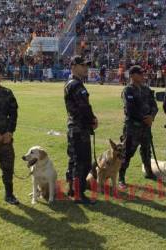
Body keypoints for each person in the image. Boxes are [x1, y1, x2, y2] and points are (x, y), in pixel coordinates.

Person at [64, 55, 98, 204]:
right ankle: (79, 194)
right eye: (83, 65)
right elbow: (84, 107)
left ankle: (72, 189)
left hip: (74, 127)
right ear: (74, 66)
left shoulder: (71, 83)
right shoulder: (76, 85)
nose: (86, 68)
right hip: (79, 128)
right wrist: (93, 120)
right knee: (82, 162)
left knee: (74, 160)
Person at [119, 65, 158, 189]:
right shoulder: (128, 90)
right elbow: (130, 110)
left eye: (143, 73)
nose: (143, 75)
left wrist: (151, 116)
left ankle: (149, 172)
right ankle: (121, 177)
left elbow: (154, 106)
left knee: (146, 151)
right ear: (132, 75)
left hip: (146, 127)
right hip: (133, 127)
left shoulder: (146, 89)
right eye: (140, 73)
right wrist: (144, 119)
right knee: (127, 152)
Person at [0, 61, 20, 210]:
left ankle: (9, 195)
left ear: (1, 76)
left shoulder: (8, 93)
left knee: (8, 168)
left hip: (5, 139)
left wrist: (9, 132)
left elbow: (14, 114)